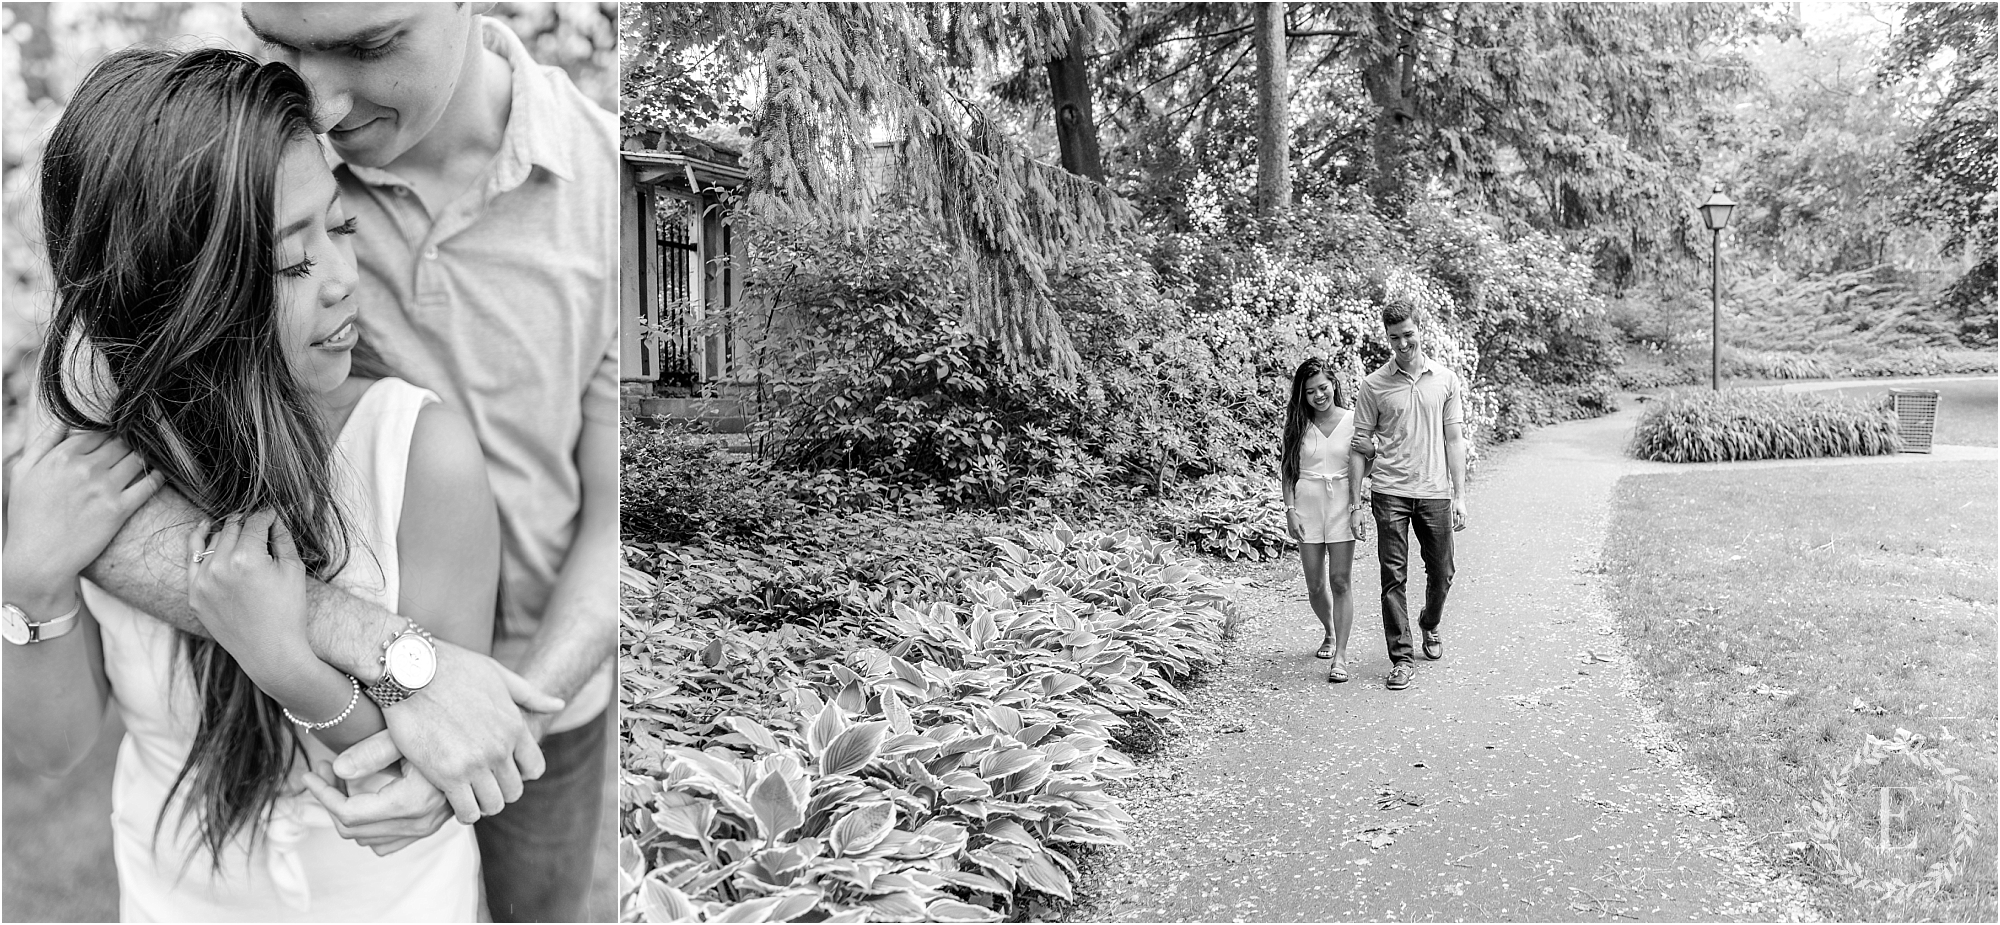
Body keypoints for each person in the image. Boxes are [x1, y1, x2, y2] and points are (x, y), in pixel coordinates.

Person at [6, 48, 494, 919]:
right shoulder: (93, 473)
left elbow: (422, 781)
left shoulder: (419, 453)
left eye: (338, 229)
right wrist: (29, 582)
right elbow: (53, 750)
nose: (343, 281)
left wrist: (286, 662)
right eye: (292, 262)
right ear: (183, 293)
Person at [237, 4, 620, 919]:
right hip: (322, 707)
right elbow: (108, 455)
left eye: (366, 48)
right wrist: (382, 656)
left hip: (547, 710)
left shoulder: (612, 184)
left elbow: (617, 515)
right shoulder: (250, 156)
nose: (319, 103)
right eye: (281, 45)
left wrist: (506, 723)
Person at [1350, 298, 1469, 692]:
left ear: (1421, 331)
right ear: (1386, 338)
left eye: (1408, 335)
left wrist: (1460, 495)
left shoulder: (1446, 380)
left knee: (1443, 572)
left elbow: (1454, 440)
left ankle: (1430, 623)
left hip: (1435, 491)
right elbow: (1360, 444)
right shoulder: (1373, 385)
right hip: (1390, 492)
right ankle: (1401, 658)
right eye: (1394, 337)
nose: (1402, 344)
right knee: (1392, 578)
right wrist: (1355, 503)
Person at [1278, 357, 1370, 684]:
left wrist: (1370, 456)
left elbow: (1364, 464)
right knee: (1315, 585)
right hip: (1307, 504)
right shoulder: (1297, 425)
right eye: (1310, 391)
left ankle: (1341, 656)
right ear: (1301, 395)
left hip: (1342, 502)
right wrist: (1290, 510)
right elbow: (1288, 471)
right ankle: (1329, 630)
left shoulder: (1353, 420)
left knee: (1341, 580)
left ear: (1334, 385)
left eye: (1323, 387)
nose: (1319, 395)